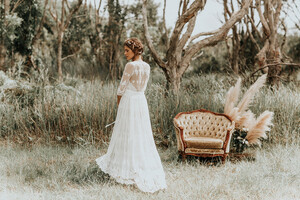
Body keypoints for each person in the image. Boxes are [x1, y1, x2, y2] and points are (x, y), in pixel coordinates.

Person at [95, 38, 167, 193]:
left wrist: (119, 104)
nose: (125, 53)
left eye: (127, 50)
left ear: (135, 50)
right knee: (139, 133)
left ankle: (126, 168)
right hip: (141, 101)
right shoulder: (147, 66)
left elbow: (121, 88)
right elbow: (143, 87)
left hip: (129, 101)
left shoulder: (130, 65)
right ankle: (134, 165)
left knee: (126, 133)